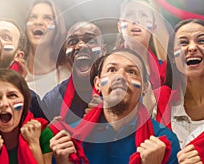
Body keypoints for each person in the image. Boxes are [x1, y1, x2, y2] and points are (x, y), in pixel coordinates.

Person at [49, 49, 180, 164]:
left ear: (145, 87)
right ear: (97, 84)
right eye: (112, 70)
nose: (120, 76)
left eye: (132, 72)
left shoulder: (164, 142)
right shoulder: (70, 141)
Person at [157, 19, 204, 147]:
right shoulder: (156, 103)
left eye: (201, 41)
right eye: (183, 43)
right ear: (173, 58)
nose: (192, 48)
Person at [41, 21, 105, 124]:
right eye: (73, 41)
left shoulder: (118, 93)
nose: (80, 45)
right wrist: (49, 133)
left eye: (90, 40)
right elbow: (38, 138)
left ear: (104, 50)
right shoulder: (52, 100)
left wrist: (109, 115)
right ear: (65, 52)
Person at [116, 0, 171, 117]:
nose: (136, 21)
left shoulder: (166, 71)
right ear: (120, 27)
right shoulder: (105, 69)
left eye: (143, 15)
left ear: (153, 28)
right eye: (130, 15)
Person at [24, 0, 70, 99]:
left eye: (47, 18)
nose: (38, 22)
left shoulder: (69, 74)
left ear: (57, 28)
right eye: (33, 17)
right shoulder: (15, 72)